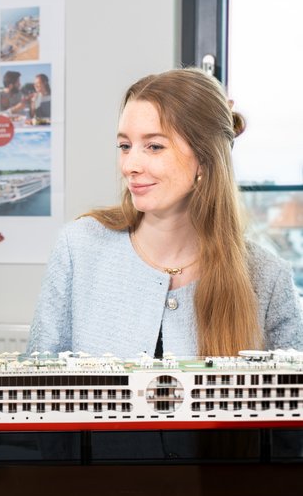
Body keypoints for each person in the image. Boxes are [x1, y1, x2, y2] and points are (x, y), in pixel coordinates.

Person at [28, 67, 303, 458]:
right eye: (125, 146)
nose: (130, 165)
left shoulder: (265, 275)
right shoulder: (79, 247)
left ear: (205, 160)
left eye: (153, 146)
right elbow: (36, 402)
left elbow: (289, 436)